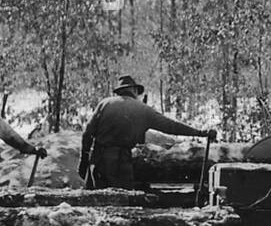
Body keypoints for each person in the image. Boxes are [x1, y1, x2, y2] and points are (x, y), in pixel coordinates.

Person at [80, 75, 216, 189]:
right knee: (122, 201)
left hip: (100, 160)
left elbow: (87, 134)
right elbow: (170, 126)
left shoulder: (104, 104)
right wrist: (200, 133)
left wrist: (84, 159)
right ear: (133, 90)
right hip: (122, 163)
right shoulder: (142, 109)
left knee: (96, 202)